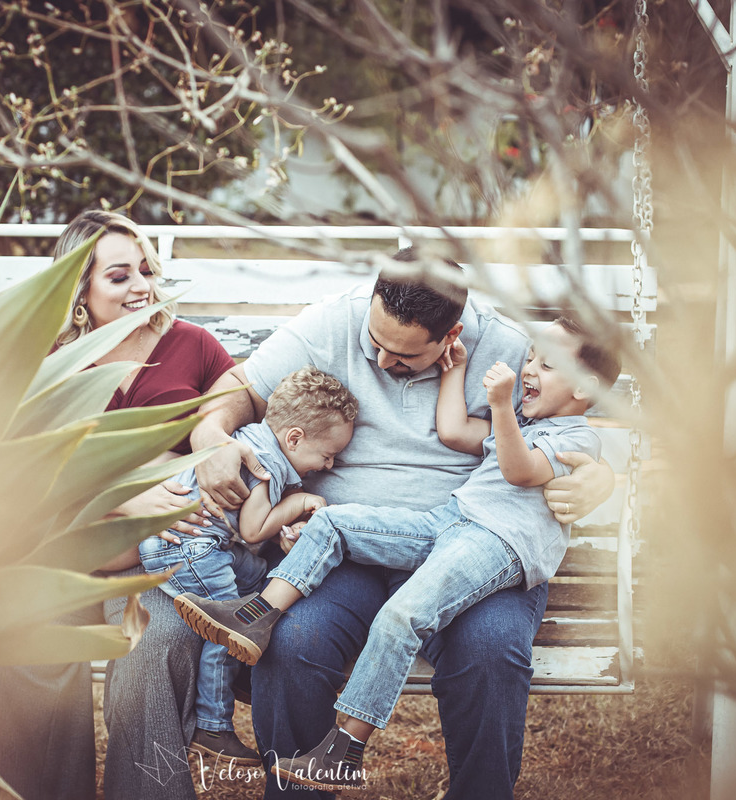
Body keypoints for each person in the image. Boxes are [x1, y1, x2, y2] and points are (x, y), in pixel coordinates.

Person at [189, 248, 615, 799]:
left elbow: (575, 424)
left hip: (474, 545)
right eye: (376, 340)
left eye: (403, 355)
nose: (381, 358)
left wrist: (602, 476)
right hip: (357, 549)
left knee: (490, 648)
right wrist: (210, 438)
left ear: (451, 337)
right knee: (297, 639)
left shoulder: (515, 352)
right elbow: (239, 387)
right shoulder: (332, 321)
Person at [0, 209, 236, 800]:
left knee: (153, 646)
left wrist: (209, 441)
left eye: (145, 270)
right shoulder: (45, 361)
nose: (141, 287)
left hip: (155, 565)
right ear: (78, 290)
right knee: (14, 637)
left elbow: (235, 411)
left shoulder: (194, 345)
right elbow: (16, 472)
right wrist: (127, 491)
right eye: (118, 276)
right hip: (65, 548)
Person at [138, 366, 358, 767]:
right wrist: (299, 503)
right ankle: (213, 726)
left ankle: (247, 682)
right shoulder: (267, 464)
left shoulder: (251, 439)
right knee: (233, 627)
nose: (327, 466)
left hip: (195, 545)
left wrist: (282, 532)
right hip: (190, 547)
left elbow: (247, 527)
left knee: (261, 583)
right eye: (327, 456)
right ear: (294, 438)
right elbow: (253, 529)